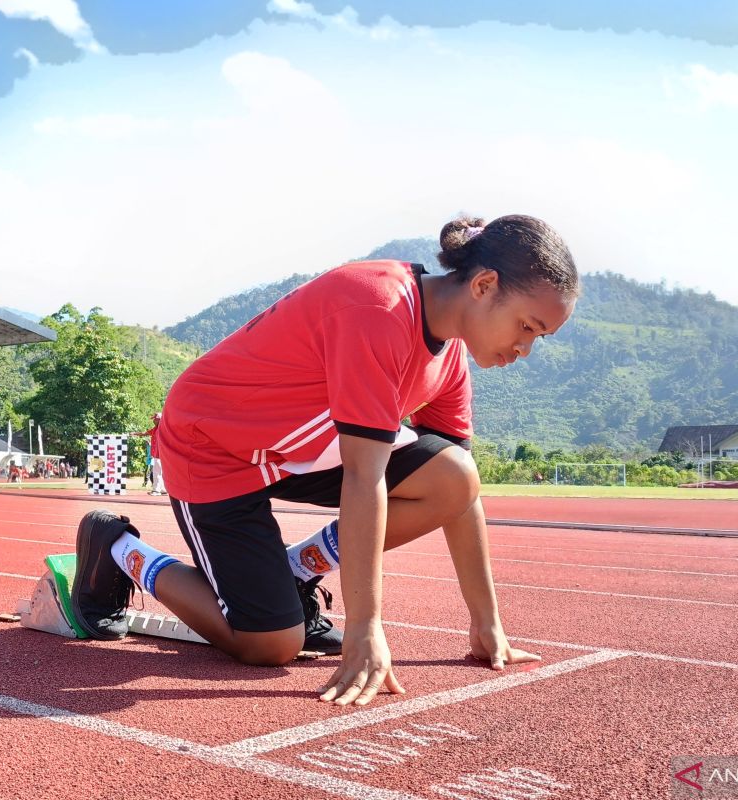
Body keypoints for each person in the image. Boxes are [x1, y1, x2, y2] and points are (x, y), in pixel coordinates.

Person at [69, 215, 578, 707]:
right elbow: (365, 475)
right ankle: (118, 548)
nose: (526, 348)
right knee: (269, 645)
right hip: (212, 446)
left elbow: (460, 498)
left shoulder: (448, 361)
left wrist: (487, 625)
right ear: (484, 285)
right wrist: (364, 630)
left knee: (454, 479)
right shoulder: (378, 307)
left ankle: (292, 573)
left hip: (294, 450)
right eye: (527, 326)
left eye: (540, 336)